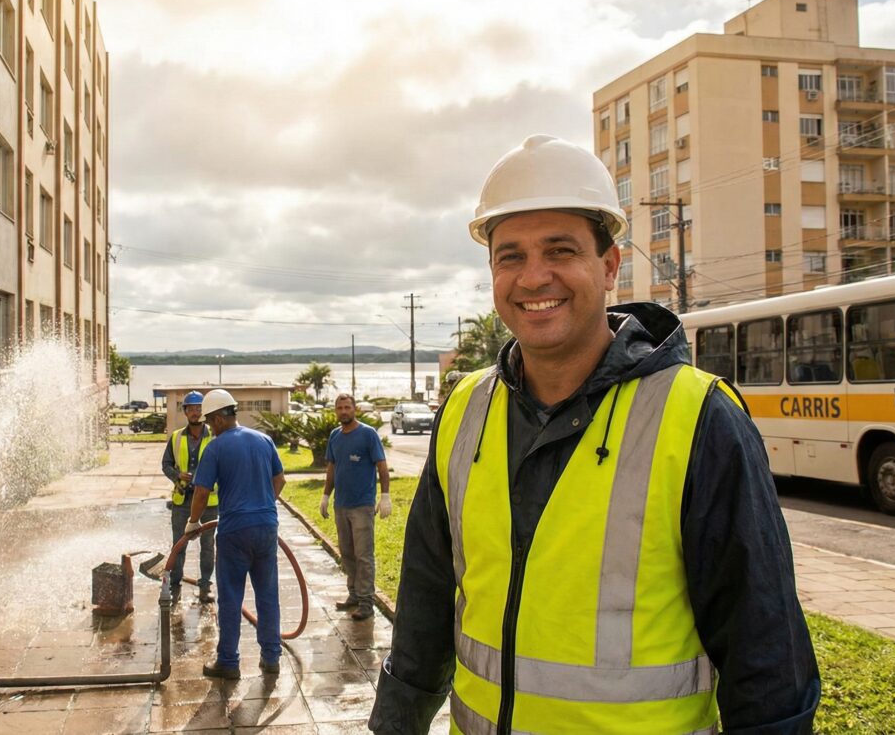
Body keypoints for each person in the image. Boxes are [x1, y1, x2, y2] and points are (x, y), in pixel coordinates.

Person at [369, 135, 819, 734]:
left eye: (560, 250)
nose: (534, 277)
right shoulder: (466, 408)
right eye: (510, 256)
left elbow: (767, 657)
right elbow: (427, 594)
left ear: (609, 266)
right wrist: (395, 723)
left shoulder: (698, 418)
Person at [184, 389, 286, 679]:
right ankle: (271, 658)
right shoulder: (263, 440)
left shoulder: (215, 448)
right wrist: (262, 505)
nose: (208, 426)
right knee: (267, 596)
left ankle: (228, 662)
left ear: (217, 419)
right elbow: (280, 480)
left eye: (209, 421)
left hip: (234, 532)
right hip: (266, 527)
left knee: (230, 597)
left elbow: (202, 492)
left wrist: (192, 523)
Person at [319, 393, 390, 620]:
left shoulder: (368, 434)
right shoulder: (335, 436)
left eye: (347, 407)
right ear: (335, 411)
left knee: (363, 556)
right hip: (342, 505)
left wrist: (385, 495)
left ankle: (367, 603)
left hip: (362, 506)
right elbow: (332, 467)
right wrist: (325, 495)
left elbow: (382, 466)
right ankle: (354, 595)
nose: (343, 411)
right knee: (347, 554)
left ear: (355, 409)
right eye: (339, 408)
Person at [161, 390, 218, 604]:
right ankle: (175, 585)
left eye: (199, 408)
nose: (195, 412)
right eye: (191, 409)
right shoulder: (176, 437)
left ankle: (205, 586)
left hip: (209, 501)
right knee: (179, 544)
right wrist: (177, 476)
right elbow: (165, 464)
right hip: (183, 499)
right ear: (185, 412)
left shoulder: (215, 436)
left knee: (208, 545)